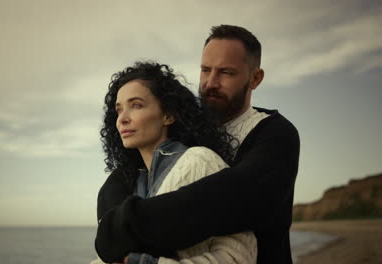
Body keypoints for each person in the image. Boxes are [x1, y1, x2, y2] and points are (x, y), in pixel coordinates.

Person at [95, 25, 300, 264]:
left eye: (226, 72)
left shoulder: (274, 133)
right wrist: (112, 229)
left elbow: (238, 197)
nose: (211, 82)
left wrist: (128, 225)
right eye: (205, 70)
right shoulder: (183, 130)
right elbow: (119, 184)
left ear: (255, 78)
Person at [92, 61, 257, 264]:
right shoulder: (133, 182)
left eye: (136, 105)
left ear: (168, 115)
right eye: (119, 110)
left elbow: (240, 257)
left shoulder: (200, 161)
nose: (123, 119)